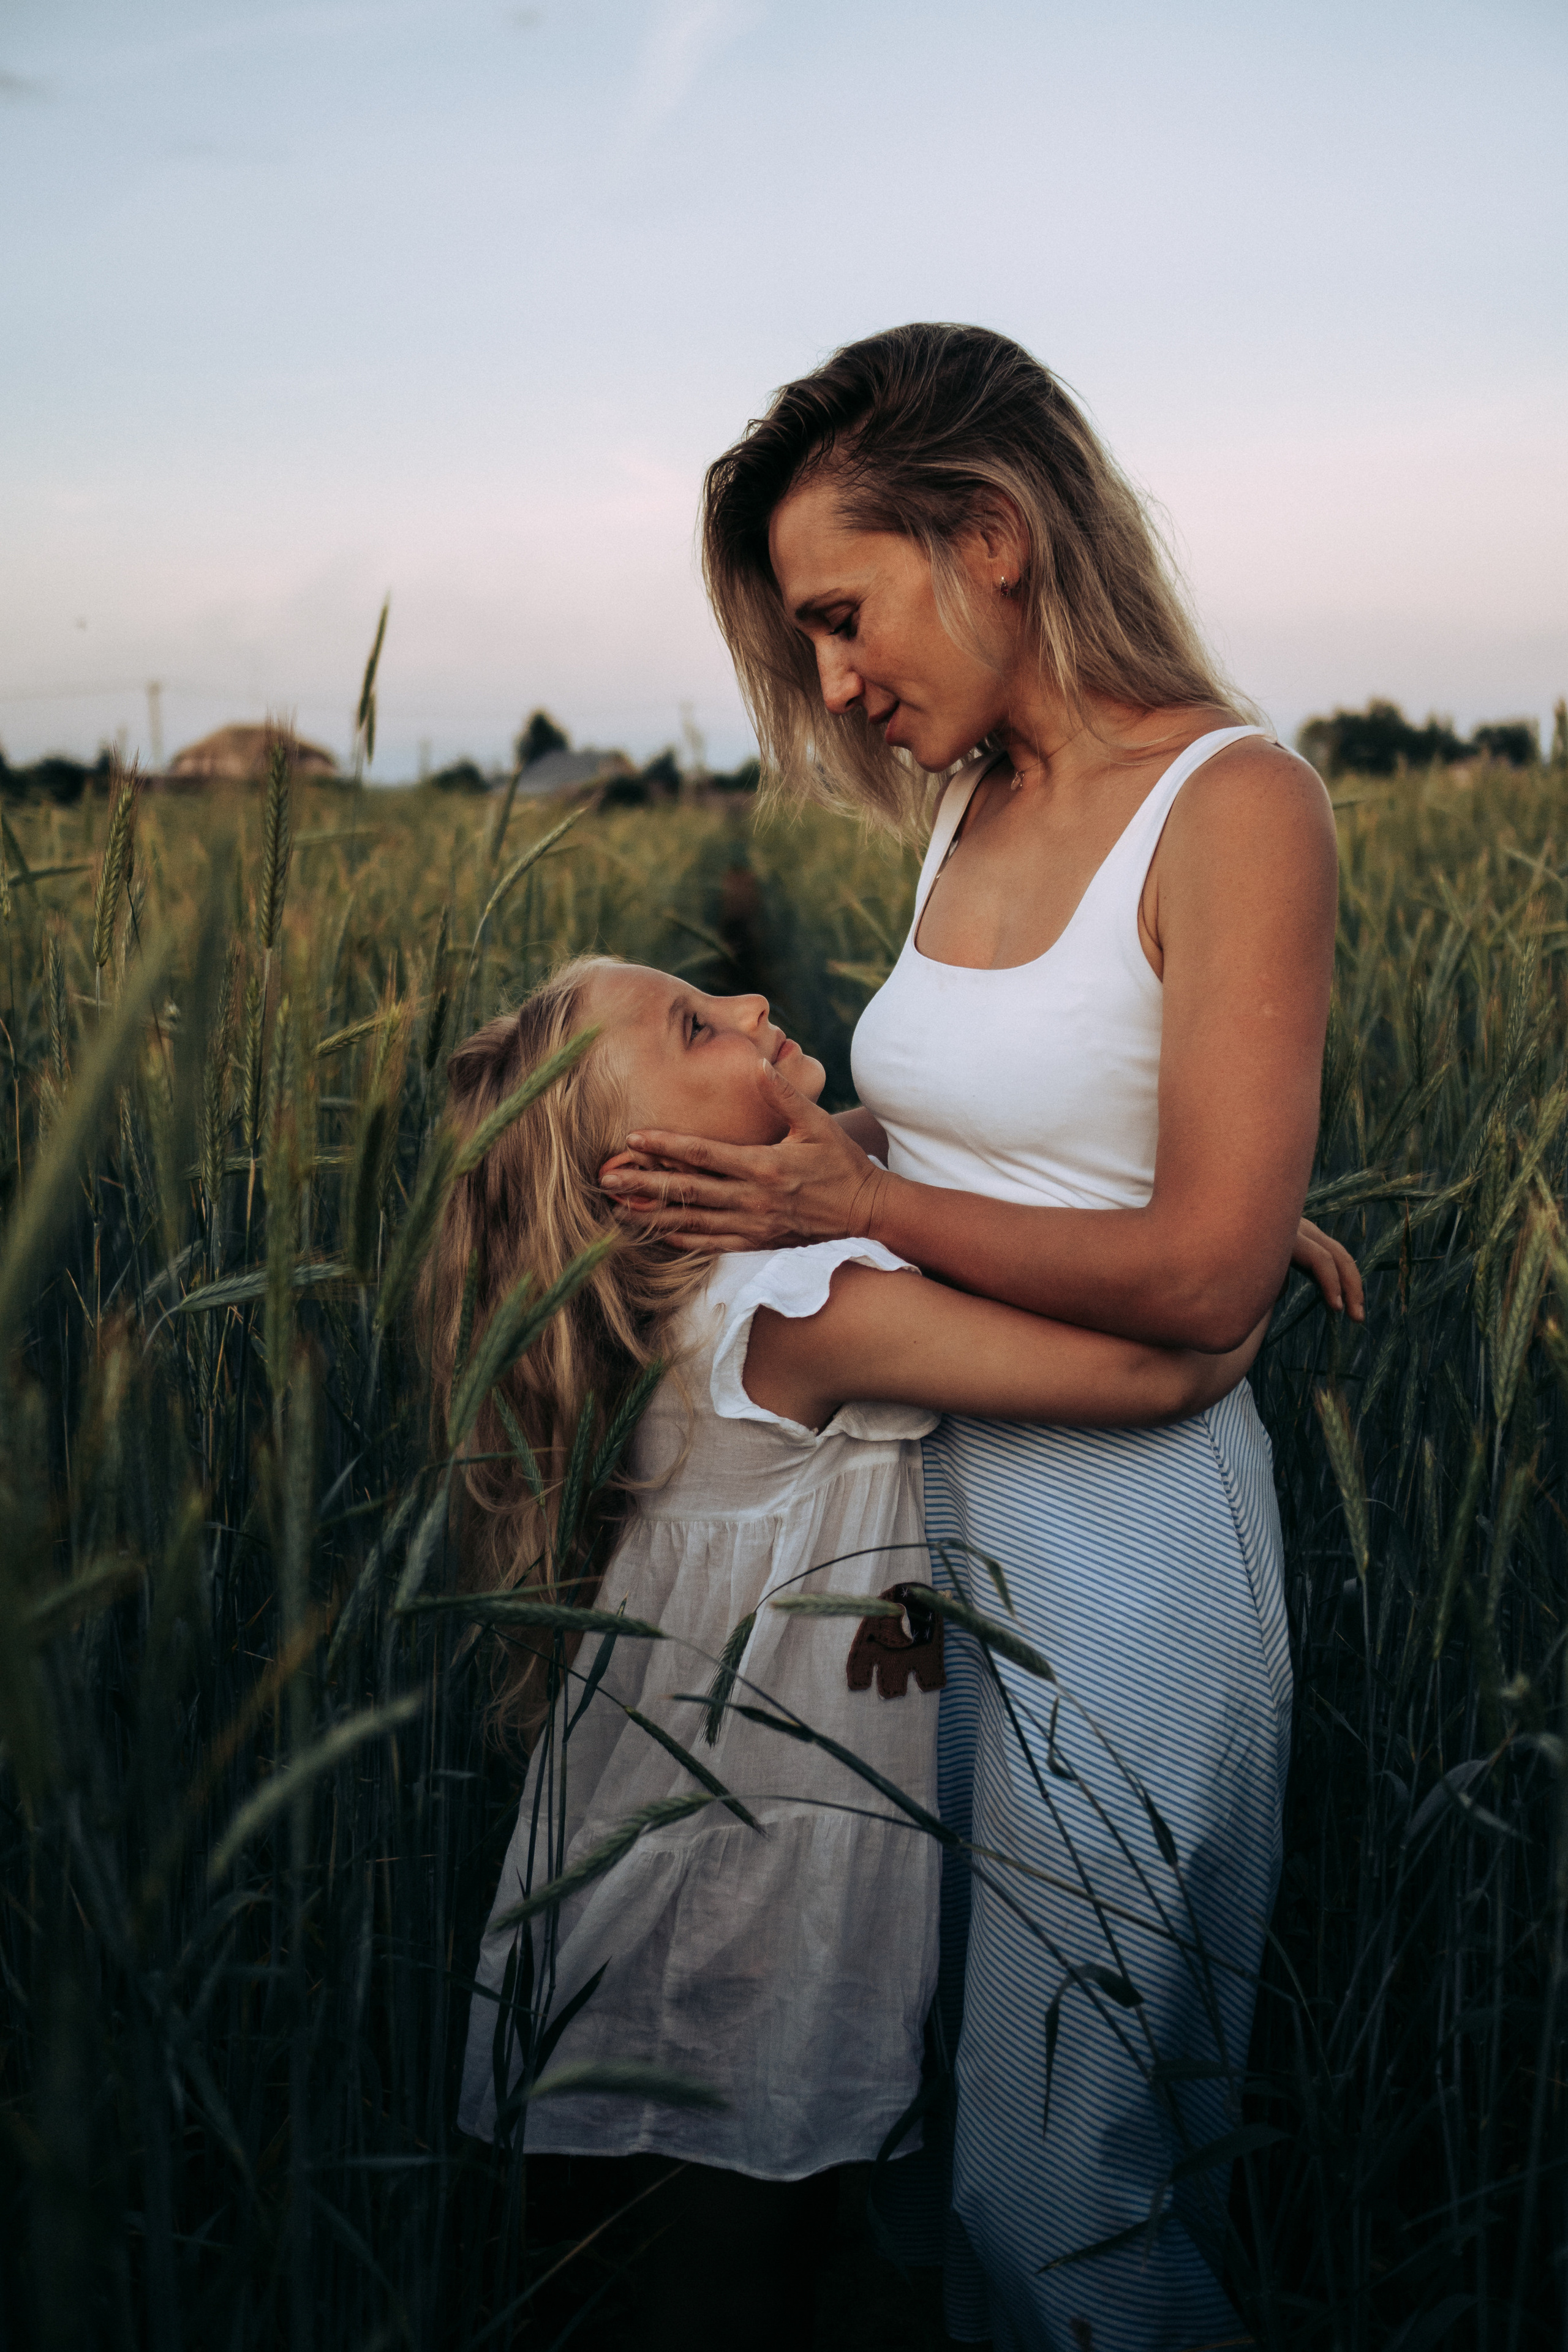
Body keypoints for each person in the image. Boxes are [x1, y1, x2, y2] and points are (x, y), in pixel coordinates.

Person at [595, 323, 1363, 2350]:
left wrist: (861, 1208)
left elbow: (1192, 1289)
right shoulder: (970, 811)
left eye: (842, 615)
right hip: (912, 1549)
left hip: (1127, 1549)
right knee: (941, 2141)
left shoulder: (1235, 802)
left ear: (996, 536)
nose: (834, 682)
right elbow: (987, 1143)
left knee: (1069, 2181)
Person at [434, 955, 1269, 2352]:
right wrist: (1217, 1282)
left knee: (730, 2245)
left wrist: (1193, 1226)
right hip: (763, 1864)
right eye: (697, 1028)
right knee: (741, 2266)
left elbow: (894, 1144)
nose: (752, 1010)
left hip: (686, 1822)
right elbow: (1153, 1372)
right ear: (649, 1175)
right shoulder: (802, 1310)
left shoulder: (683, 1295)